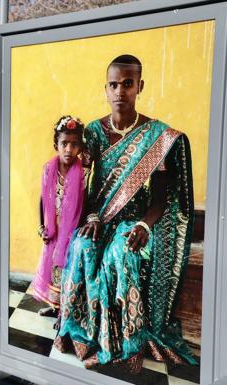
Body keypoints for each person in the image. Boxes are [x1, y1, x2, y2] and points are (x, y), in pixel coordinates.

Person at [54, 55, 196, 372]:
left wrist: (145, 224)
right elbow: (79, 189)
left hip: (135, 222)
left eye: (128, 84)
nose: (121, 91)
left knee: (120, 253)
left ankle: (125, 346)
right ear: (106, 89)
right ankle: (80, 336)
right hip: (99, 219)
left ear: (139, 87)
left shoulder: (156, 137)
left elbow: (162, 197)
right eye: (114, 84)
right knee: (82, 247)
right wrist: (90, 217)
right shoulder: (91, 132)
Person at [32, 116, 86, 328]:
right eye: (64, 144)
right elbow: (43, 199)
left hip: (71, 233)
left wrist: (75, 233)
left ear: (79, 147)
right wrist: (42, 226)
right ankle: (54, 306)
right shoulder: (49, 169)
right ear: (57, 145)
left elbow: (85, 205)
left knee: (66, 272)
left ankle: (65, 313)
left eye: (74, 145)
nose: (68, 149)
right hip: (53, 231)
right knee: (52, 270)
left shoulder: (83, 174)